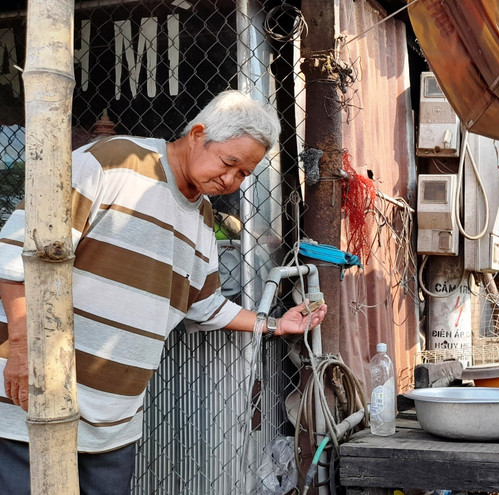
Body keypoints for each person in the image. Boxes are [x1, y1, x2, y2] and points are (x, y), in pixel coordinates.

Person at [0, 90, 327, 493]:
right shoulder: (113, 162)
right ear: (197, 134)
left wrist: (276, 323)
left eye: (244, 173)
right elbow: (16, 255)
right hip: (33, 399)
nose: (230, 181)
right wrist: (20, 347)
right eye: (228, 163)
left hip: (114, 423)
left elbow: (203, 305)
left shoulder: (202, 218)